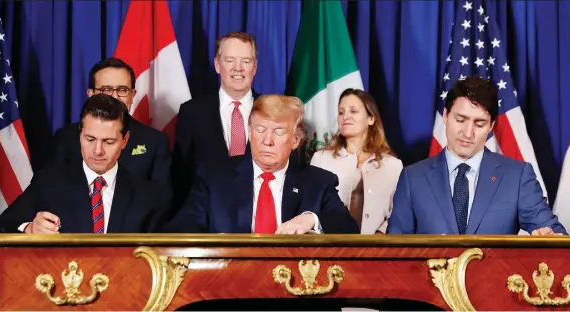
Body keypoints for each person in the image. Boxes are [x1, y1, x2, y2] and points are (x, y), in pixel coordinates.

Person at [387, 76, 567, 235]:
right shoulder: (412, 178)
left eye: (479, 124)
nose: (468, 133)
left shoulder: (517, 176)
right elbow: (394, 251)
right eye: (460, 120)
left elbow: (552, 233)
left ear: (491, 126)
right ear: (446, 116)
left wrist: (548, 234)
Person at [162, 95, 359, 234]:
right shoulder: (214, 178)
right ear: (249, 132)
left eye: (279, 132)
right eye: (261, 129)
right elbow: (183, 226)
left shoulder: (319, 183)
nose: (268, 140)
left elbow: (347, 228)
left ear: (296, 140)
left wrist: (312, 220)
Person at [0, 94, 167, 234]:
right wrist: (29, 228)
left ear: (125, 140)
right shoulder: (49, 183)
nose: (97, 150)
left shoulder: (147, 196)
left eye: (108, 142)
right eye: (89, 139)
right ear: (79, 134)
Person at [171, 31, 260, 211]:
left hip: (259, 217)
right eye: (230, 60)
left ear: (255, 67)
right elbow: (181, 176)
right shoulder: (192, 112)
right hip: (206, 219)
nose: (238, 67)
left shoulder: (271, 110)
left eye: (246, 61)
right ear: (217, 65)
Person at [51, 57, 171, 188]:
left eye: (122, 90)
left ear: (132, 94)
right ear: (91, 93)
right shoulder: (66, 138)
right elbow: (52, 188)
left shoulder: (155, 142)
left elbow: (162, 198)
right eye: (106, 90)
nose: (114, 97)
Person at [311, 89, 403, 234]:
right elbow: (312, 207)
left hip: (377, 250)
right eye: (341, 112)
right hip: (330, 248)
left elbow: (398, 212)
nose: (345, 116)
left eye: (353, 111)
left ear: (371, 119)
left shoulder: (393, 165)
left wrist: (380, 237)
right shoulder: (321, 159)